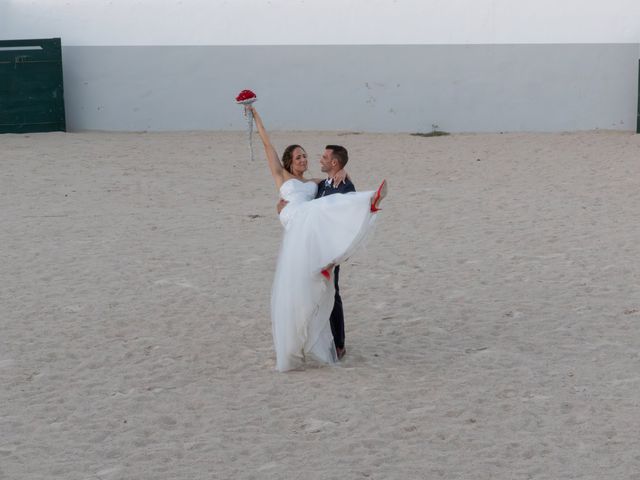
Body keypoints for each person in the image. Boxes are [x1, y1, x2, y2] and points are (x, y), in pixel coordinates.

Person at [250, 105, 387, 372]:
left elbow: (332, 185)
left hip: (310, 231)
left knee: (321, 289)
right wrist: (256, 118)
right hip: (297, 221)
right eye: (299, 156)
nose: (304, 160)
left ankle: (369, 201)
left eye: (305, 156)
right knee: (312, 213)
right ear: (290, 161)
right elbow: (269, 148)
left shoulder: (316, 183)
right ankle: (368, 201)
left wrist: (343, 172)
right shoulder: (282, 176)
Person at [278, 145, 354, 359]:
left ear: (335, 163)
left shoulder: (344, 184)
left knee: (331, 293)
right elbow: (304, 205)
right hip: (309, 245)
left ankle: (339, 344)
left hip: (330, 247)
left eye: (325, 157)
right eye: (299, 157)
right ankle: (308, 339)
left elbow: (350, 212)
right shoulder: (319, 185)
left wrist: (344, 172)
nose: (316, 159)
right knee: (308, 293)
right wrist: (282, 207)